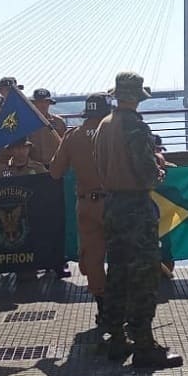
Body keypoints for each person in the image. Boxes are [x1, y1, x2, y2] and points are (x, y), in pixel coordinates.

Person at [95, 72, 183, 369]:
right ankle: (145, 345)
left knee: (118, 273)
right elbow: (146, 171)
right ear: (137, 96)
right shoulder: (134, 125)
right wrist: (159, 171)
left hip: (112, 206)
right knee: (144, 276)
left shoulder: (104, 125)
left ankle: (117, 338)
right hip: (135, 206)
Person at [50, 93, 112, 314]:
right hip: (115, 203)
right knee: (122, 255)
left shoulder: (72, 136)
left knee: (92, 257)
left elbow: (56, 172)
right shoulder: (115, 134)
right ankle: (121, 306)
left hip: (86, 204)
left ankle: (103, 306)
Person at [152, 135, 178, 279]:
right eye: (154, 150)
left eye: (159, 150)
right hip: (146, 220)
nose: (158, 154)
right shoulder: (135, 172)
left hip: (166, 221)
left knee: (168, 267)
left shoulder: (172, 170)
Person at [29, 89, 65, 165]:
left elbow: (66, 144)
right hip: (34, 166)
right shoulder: (26, 123)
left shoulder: (59, 122)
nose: (43, 105)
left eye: (46, 102)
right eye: (40, 102)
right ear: (34, 103)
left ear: (49, 103)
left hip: (55, 164)